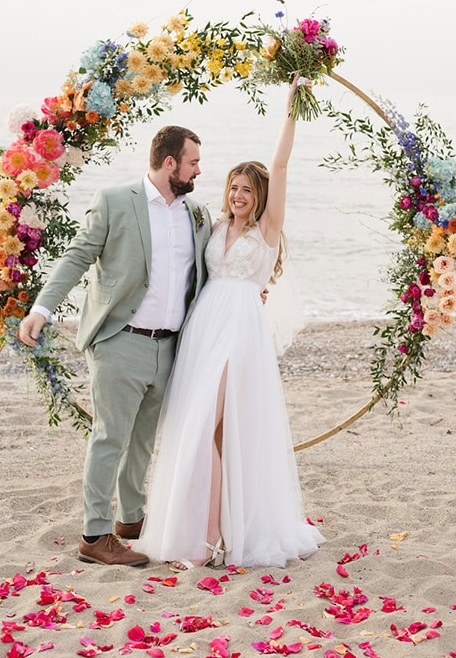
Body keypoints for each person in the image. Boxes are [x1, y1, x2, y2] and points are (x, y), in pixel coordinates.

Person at [139, 78, 325, 569]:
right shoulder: (214, 225)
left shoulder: (268, 230)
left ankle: (210, 539)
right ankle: (213, 531)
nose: (239, 195)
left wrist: (291, 108)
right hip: (203, 328)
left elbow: (280, 165)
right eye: (234, 188)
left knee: (209, 423)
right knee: (208, 430)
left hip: (240, 330)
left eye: (247, 190)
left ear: (260, 195)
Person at [18, 126, 212, 567]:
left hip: (171, 347)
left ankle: (130, 520)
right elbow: (77, 257)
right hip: (121, 341)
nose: (199, 170)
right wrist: (41, 310)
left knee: (143, 442)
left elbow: (206, 272)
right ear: (170, 163)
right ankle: (95, 534)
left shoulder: (197, 213)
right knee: (110, 438)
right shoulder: (115, 200)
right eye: (193, 162)